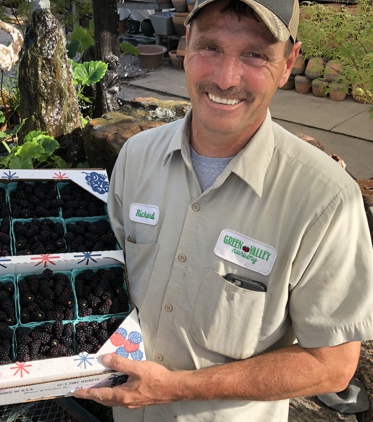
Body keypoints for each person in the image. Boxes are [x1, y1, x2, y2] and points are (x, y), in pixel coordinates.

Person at [73, 0, 373, 420]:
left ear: (289, 63)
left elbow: (333, 366)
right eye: (210, 47)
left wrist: (175, 389)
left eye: (254, 54)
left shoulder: (325, 200)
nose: (226, 78)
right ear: (185, 45)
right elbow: (97, 272)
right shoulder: (136, 157)